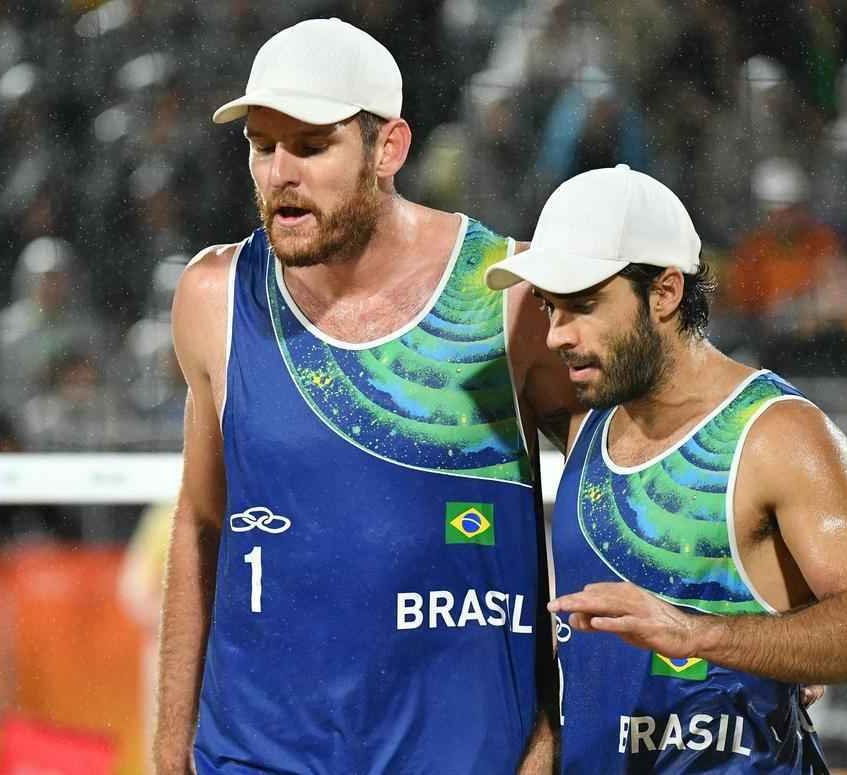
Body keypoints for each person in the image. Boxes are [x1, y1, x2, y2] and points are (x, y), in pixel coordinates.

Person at [155, 17, 577, 775]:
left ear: (389, 149)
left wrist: (555, 723)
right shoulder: (212, 298)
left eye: (312, 146)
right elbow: (200, 522)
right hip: (254, 756)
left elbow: (619, 486)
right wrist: (167, 744)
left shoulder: (508, 296)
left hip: (458, 757)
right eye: (261, 145)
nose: (280, 171)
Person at [485, 165, 847, 772]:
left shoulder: (777, 436)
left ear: (664, 292)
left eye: (581, 306)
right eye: (550, 309)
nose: (558, 336)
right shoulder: (586, 423)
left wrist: (697, 634)